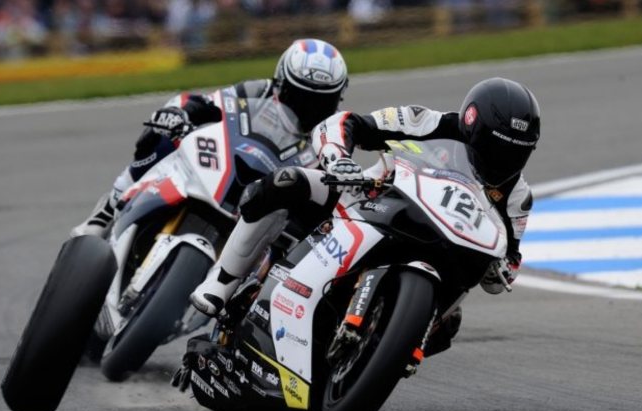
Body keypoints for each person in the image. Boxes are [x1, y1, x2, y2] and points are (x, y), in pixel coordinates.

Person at [190, 77, 540, 352]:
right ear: (470, 125)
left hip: (443, 251)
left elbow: (509, 258)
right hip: (369, 198)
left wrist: (502, 269)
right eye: (496, 147)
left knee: (448, 326)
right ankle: (221, 283)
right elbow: (347, 123)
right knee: (285, 183)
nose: (503, 160)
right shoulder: (427, 122)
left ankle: (380, 352)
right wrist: (338, 157)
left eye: (515, 153)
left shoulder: (518, 197)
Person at [71, 38, 348, 237]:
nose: (308, 109)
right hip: (223, 167)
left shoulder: (329, 137)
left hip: (260, 210)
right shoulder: (258, 91)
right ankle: (110, 206)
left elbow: (326, 199)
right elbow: (202, 103)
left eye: (320, 102)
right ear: (280, 83)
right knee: (159, 134)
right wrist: (176, 114)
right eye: (301, 97)